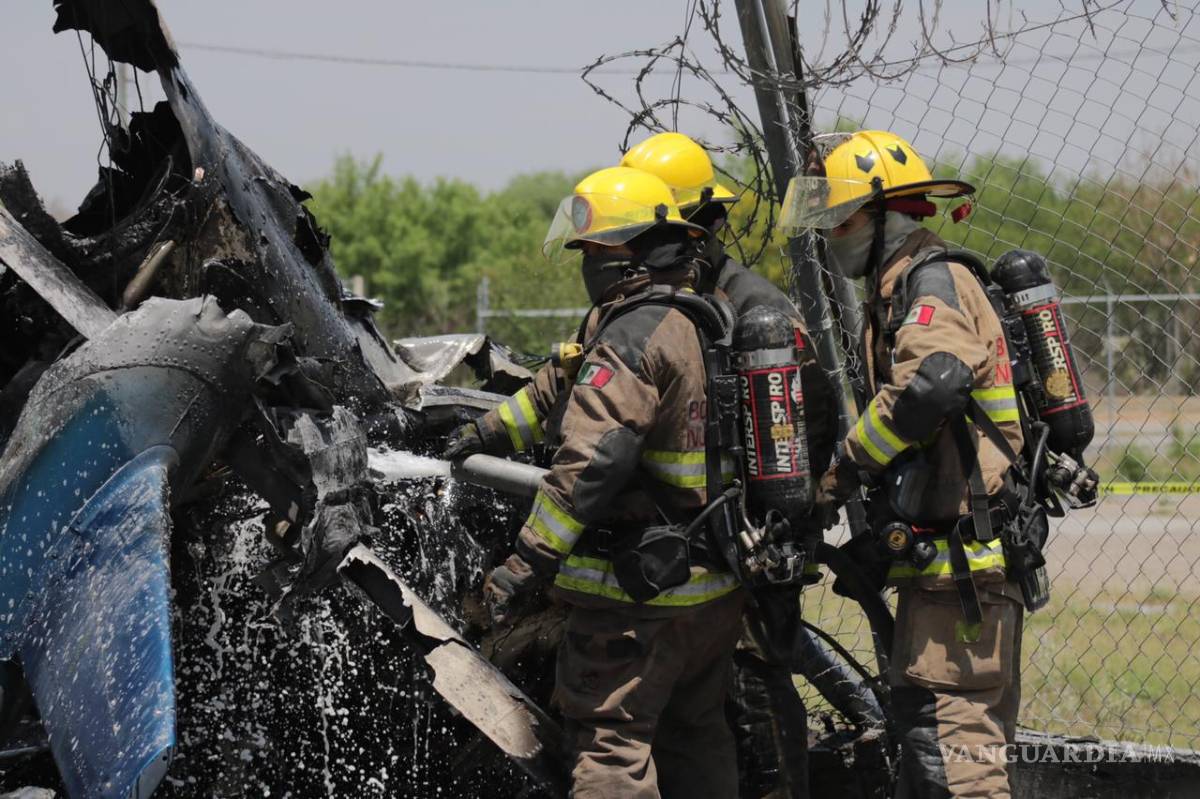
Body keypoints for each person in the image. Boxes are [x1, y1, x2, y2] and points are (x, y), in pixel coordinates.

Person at [446, 165, 745, 798]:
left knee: (611, 745)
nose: (586, 265)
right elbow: (556, 389)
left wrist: (522, 567)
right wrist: (485, 433)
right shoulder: (705, 317)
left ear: (629, 254)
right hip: (713, 586)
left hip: (637, 599)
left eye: (593, 251)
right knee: (696, 735)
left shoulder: (631, 335)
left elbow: (592, 464)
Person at [782, 129, 1026, 798]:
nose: (832, 233)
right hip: (950, 573)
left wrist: (846, 471)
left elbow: (937, 381)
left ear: (890, 209)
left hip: (963, 578)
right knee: (937, 753)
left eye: (843, 216)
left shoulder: (929, 284)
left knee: (958, 763)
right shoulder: (901, 287)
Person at [622, 130, 841, 799]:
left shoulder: (755, 311)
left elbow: (815, 419)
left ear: (708, 226)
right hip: (692, 557)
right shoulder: (678, 304)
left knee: (754, 696)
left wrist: (780, 527)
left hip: (749, 551)